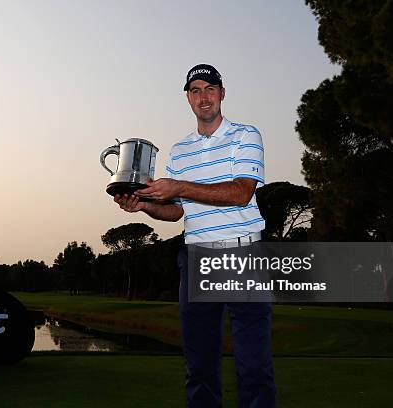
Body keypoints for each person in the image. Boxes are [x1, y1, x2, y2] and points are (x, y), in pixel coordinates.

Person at [113, 64, 276, 407]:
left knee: (254, 367)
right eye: (195, 90)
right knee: (200, 367)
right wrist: (143, 205)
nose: (204, 97)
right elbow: (176, 210)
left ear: (222, 93)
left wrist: (179, 186)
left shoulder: (246, 135)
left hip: (242, 255)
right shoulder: (179, 151)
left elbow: (240, 192)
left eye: (210, 88)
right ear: (187, 97)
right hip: (196, 257)